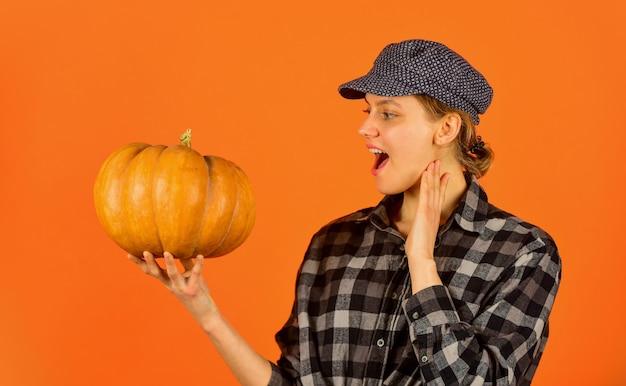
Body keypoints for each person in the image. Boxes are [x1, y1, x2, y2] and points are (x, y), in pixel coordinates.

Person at [128, 39, 561, 385]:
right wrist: (206, 314)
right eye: (367, 110)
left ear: (446, 129)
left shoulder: (523, 253)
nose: (365, 127)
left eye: (388, 113)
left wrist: (422, 263)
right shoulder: (332, 244)